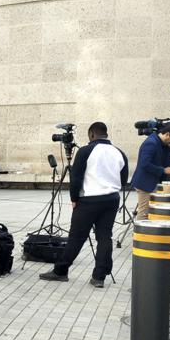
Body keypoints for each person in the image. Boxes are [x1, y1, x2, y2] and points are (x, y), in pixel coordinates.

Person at [40, 122, 129, 288]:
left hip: (88, 200)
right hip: (111, 199)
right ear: (106, 134)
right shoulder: (119, 152)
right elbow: (123, 180)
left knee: (76, 237)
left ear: (92, 135)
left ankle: (60, 271)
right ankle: (99, 277)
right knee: (104, 237)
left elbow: (76, 178)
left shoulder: (85, 151)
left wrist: (74, 199)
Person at [130, 124, 170, 220]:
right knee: (144, 213)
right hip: (145, 183)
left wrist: (169, 148)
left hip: (154, 182)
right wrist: (163, 170)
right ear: (167, 134)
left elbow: (166, 162)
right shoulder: (151, 143)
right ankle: (139, 233)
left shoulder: (163, 144)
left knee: (153, 211)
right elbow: (145, 163)